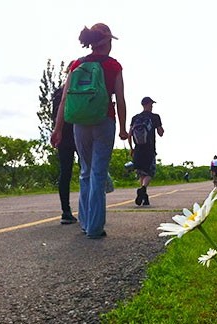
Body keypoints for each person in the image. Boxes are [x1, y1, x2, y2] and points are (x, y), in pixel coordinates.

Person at [51, 23, 128, 239]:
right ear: (108, 42)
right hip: (104, 121)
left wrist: (58, 129)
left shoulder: (76, 64)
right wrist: (123, 128)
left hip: (79, 123)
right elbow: (120, 98)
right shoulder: (113, 66)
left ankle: (85, 223)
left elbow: (65, 99)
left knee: (85, 171)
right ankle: (95, 228)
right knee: (98, 173)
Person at [51, 71, 77, 225]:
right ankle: (89, 210)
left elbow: (54, 115)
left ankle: (65, 211)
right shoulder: (78, 91)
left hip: (63, 135)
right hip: (80, 133)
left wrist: (57, 130)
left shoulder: (58, 93)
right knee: (87, 171)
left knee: (65, 172)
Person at [128, 96, 164, 206]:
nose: (152, 106)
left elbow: (130, 134)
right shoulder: (155, 117)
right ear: (148, 104)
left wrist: (131, 148)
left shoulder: (135, 118)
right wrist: (161, 128)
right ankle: (143, 189)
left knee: (142, 172)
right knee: (150, 173)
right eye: (151, 104)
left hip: (138, 148)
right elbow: (160, 133)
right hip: (149, 148)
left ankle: (145, 197)